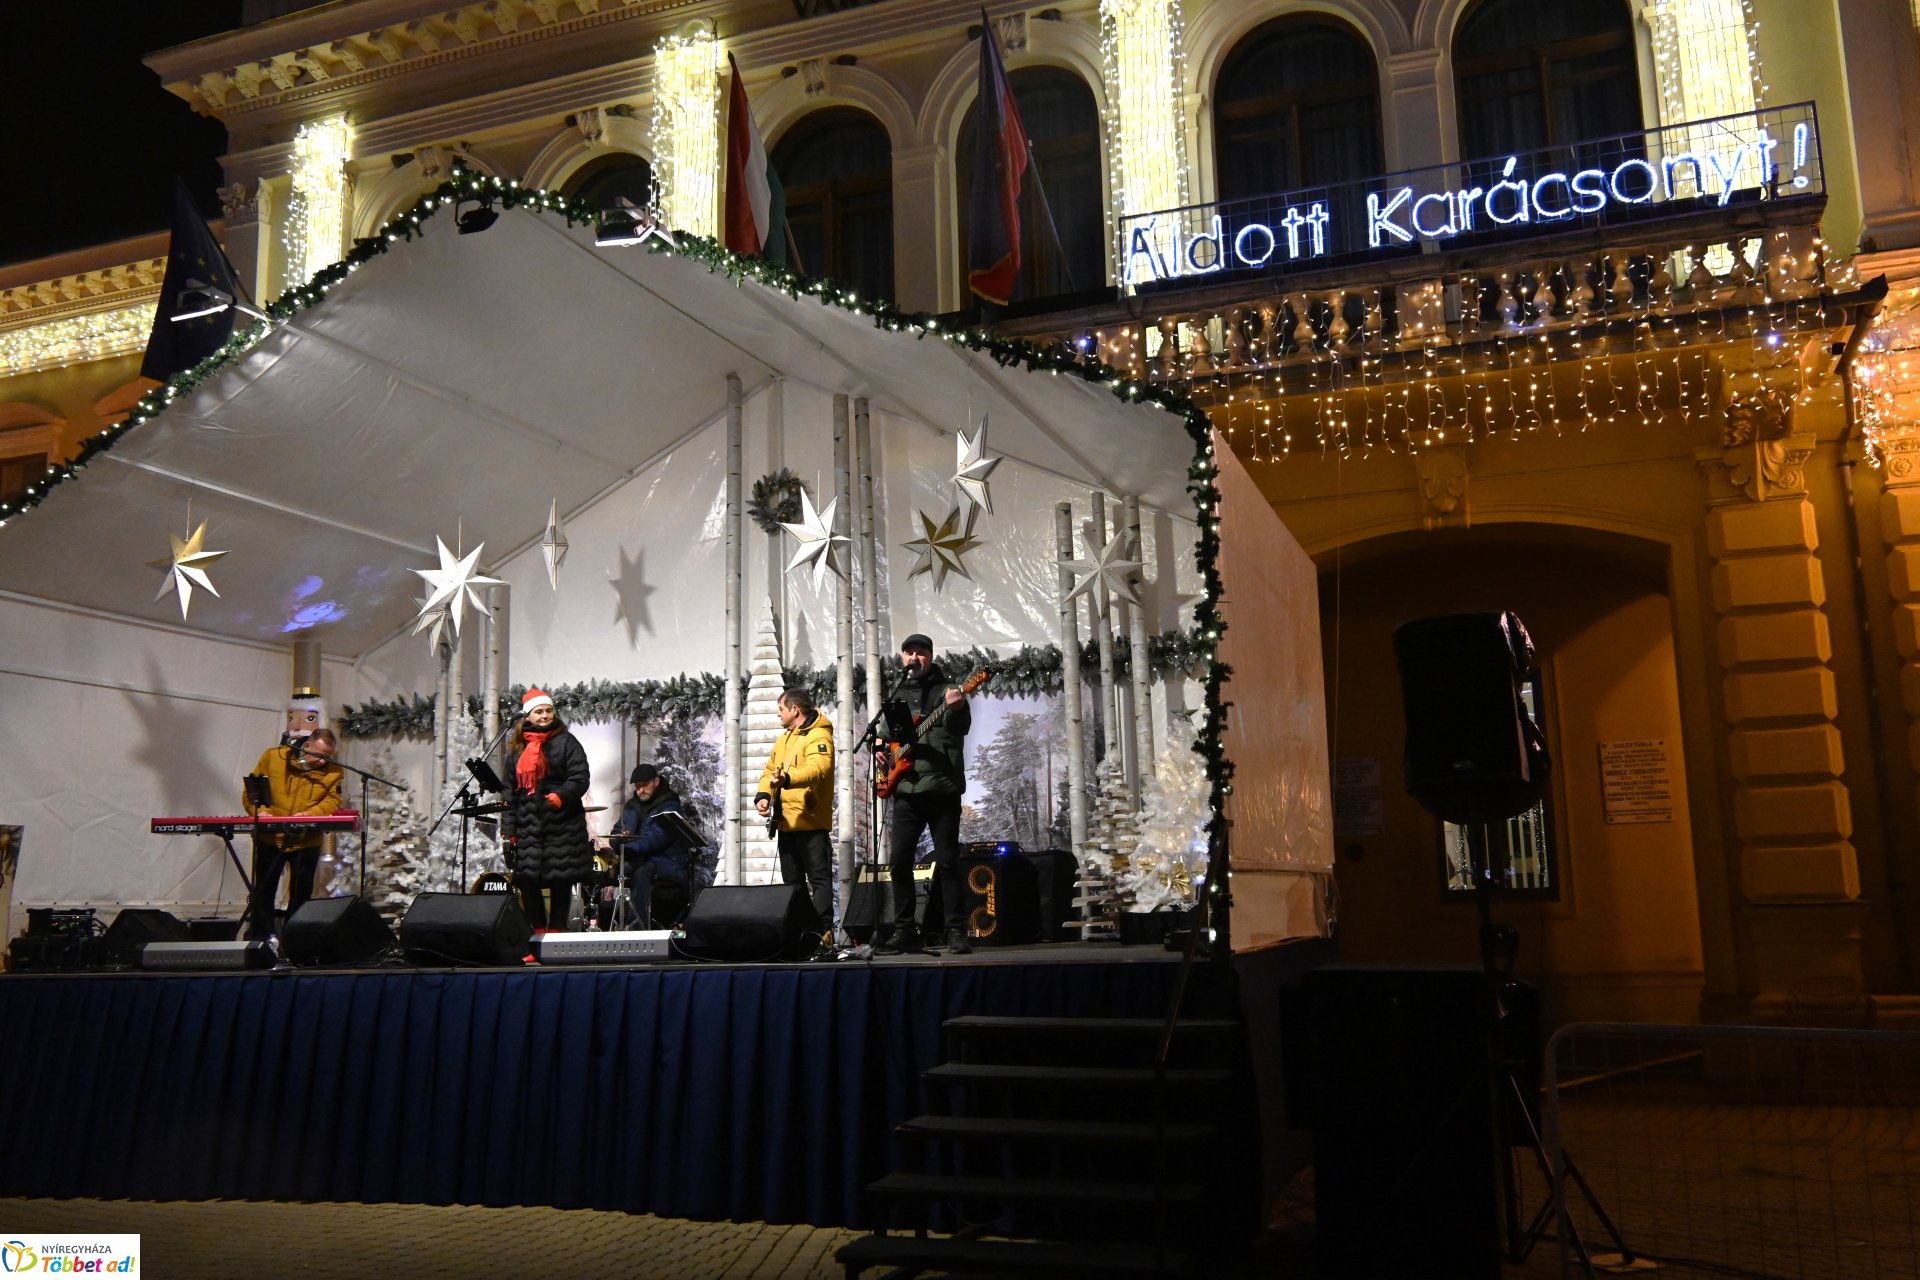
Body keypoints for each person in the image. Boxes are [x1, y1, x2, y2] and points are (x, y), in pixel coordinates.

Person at [875, 633, 973, 955]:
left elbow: (960, 728)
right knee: (899, 862)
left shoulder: (949, 692)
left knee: (947, 862)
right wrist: (880, 750)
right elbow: (890, 740)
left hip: (942, 790)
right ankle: (904, 930)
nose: (913, 657)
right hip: (906, 789)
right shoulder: (898, 696)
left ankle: (956, 930)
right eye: (908, 652)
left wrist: (957, 709)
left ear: (930, 657)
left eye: (920, 652)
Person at [501, 688, 594, 932]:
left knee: (560, 879)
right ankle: (537, 931)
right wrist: (509, 828)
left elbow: (580, 778)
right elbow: (509, 793)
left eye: (548, 710)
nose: (545, 716)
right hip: (529, 827)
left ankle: (556, 931)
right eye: (539, 711)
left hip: (562, 825)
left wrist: (561, 795)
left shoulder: (567, 743)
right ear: (527, 717)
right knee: (528, 879)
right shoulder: (518, 752)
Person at [241, 724, 344, 943]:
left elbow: (332, 800)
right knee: (264, 890)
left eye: (328, 756)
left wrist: (310, 814)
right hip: (270, 837)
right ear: (306, 745)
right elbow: (251, 791)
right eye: (318, 755)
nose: (323, 761)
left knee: (301, 894)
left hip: (306, 840)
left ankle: (294, 943)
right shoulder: (273, 757)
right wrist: (261, 814)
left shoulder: (334, 771)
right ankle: (259, 939)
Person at [755, 688, 835, 931]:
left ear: (794, 710)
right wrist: (764, 795)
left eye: (781, 709)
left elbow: (820, 768)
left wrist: (787, 779)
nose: (778, 714)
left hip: (810, 823)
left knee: (819, 880)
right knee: (791, 883)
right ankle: (800, 932)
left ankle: (822, 934)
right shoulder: (784, 739)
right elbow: (770, 771)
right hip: (786, 823)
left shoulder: (819, 736)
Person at [608, 764, 693, 928]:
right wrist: (617, 842)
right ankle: (608, 923)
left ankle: (636, 926)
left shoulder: (670, 806)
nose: (641, 790)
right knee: (610, 872)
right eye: (637, 786)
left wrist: (627, 848)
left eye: (644, 785)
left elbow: (657, 838)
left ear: (656, 781)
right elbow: (617, 832)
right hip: (637, 859)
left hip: (666, 864)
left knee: (642, 871)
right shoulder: (631, 806)